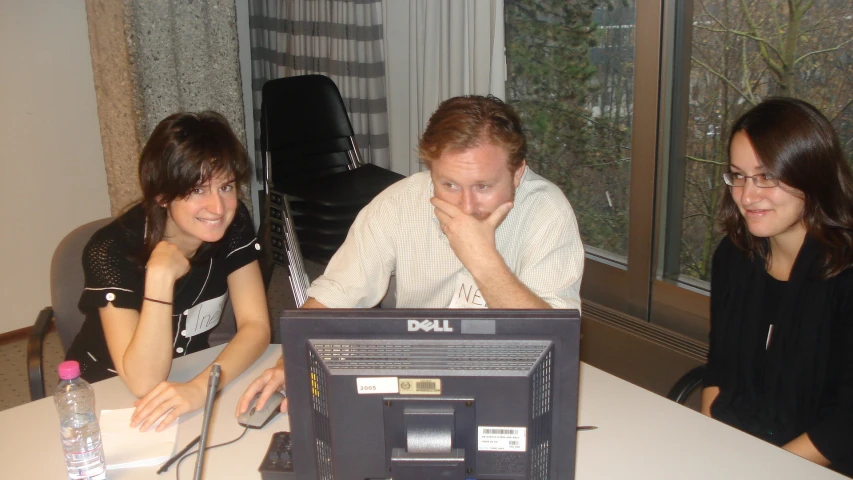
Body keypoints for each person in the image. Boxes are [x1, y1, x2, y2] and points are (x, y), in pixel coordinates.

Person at [236, 94, 585, 417]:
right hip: (418, 375)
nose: (465, 207)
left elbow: (555, 346)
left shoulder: (547, 212)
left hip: (511, 382)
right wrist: (291, 364)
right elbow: (336, 296)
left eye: (483, 186)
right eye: (448, 184)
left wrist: (482, 259)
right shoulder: (398, 203)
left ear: (518, 172)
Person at [66, 111, 271, 432]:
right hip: (106, 395)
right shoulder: (109, 250)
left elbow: (256, 326)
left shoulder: (233, 222)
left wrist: (201, 388)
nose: (218, 208)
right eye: (198, 190)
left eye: (227, 186)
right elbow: (144, 382)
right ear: (161, 194)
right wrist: (159, 279)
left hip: (186, 377)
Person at [702, 97, 853, 475]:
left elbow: (845, 426)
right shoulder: (734, 256)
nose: (747, 195)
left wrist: (761, 470)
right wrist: (703, 442)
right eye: (738, 175)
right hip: (741, 454)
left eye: (767, 176)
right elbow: (719, 372)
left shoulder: (846, 276)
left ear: (811, 175)